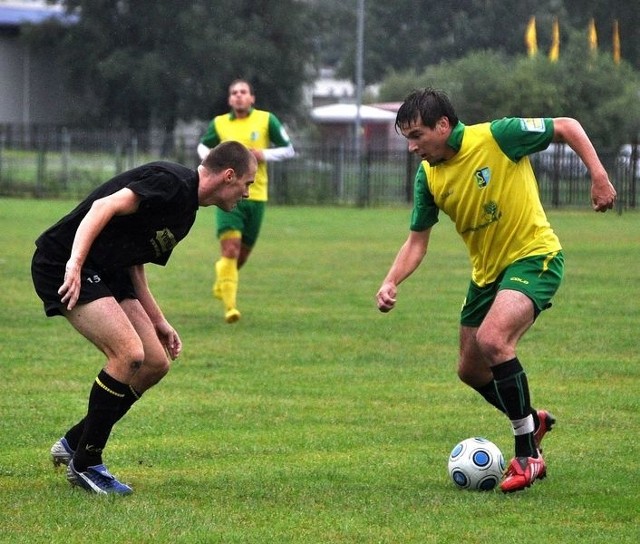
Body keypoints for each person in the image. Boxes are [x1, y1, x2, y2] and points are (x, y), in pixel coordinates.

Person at [375, 88, 617, 493]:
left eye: (417, 136)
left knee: (493, 340)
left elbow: (567, 126)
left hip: (534, 258)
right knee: (470, 369)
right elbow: (417, 241)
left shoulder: (498, 136)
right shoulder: (429, 176)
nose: (412, 147)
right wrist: (390, 280)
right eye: (407, 139)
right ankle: (532, 420)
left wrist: (599, 175)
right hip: (486, 276)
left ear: (443, 125)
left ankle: (528, 456)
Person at [32, 141, 257, 495]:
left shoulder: (187, 213)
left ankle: (75, 442)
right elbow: (102, 207)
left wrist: (159, 320)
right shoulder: (171, 183)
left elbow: (135, 261)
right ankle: (86, 463)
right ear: (229, 176)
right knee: (128, 354)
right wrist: (73, 264)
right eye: (247, 183)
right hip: (65, 261)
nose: (247, 192)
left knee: (154, 362)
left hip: (109, 272)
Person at [197, 79, 294, 323]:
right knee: (230, 249)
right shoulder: (219, 123)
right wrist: (213, 161)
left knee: (240, 257)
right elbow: (202, 146)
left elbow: (288, 149)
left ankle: (223, 276)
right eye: (234, 93)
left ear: (252, 98)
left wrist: (263, 154)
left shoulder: (265, 120)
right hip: (226, 194)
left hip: (256, 195)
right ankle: (230, 307)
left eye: (243, 92)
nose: (239, 96)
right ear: (229, 99)